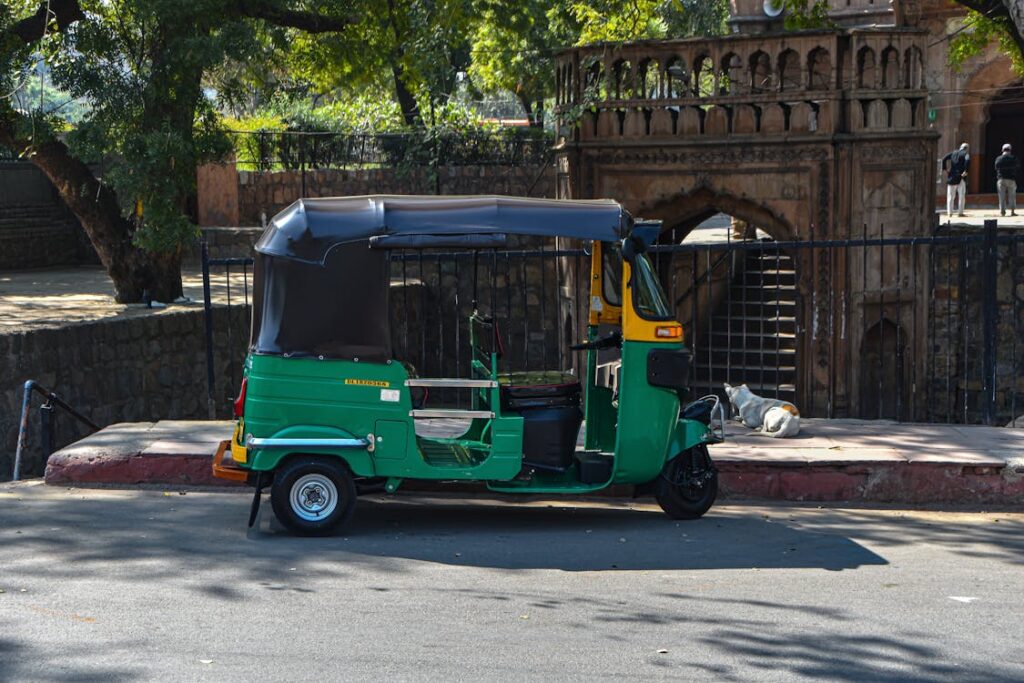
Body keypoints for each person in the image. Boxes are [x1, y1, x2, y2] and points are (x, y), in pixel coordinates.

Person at [941, 143, 970, 220]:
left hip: (951, 177)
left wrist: (945, 169)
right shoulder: (965, 154)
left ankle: (949, 213)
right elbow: (968, 160)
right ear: (966, 148)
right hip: (961, 177)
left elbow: (944, 159)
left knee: (950, 196)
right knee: (961, 196)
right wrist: (966, 171)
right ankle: (960, 213)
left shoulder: (953, 153)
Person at [994, 143, 1019, 217]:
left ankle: (1002, 212)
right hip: (1011, 179)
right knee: (1012, 195)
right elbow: (1018, 167)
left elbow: (996, 167)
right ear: (1010, 150)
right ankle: (1012, 211)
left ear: (1002, 150)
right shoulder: (1013, 158)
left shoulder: (998, 158)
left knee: (1001, 196)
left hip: (1001, 179)